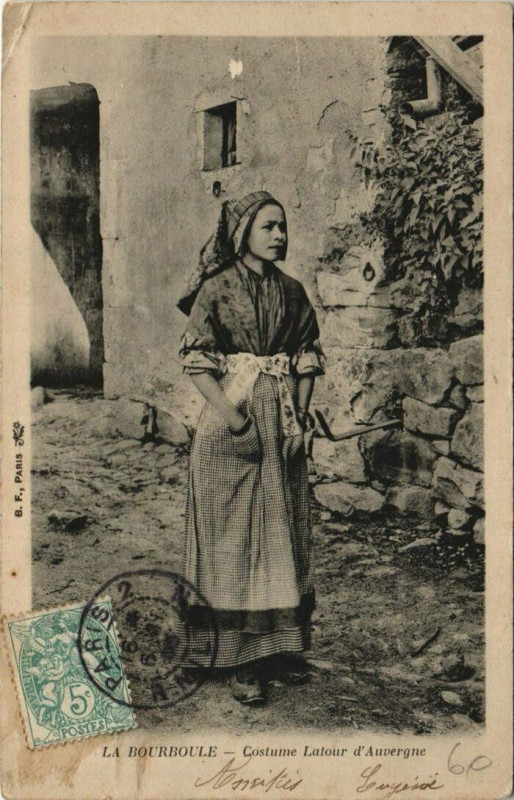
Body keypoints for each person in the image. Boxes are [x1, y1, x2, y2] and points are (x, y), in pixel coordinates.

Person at [178, 191, 324, 704]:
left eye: (283, 226)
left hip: (280, 422)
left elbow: (306, 356)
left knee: (280, 533)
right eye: (268, 227)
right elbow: (197, 361)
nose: (279, 235)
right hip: (229, 423)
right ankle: (236, 659)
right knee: (232, 540)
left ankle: (276, 649)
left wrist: (300, 418)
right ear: (243, 234)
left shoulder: (293, 290)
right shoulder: (216, 290)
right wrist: (236, 420)